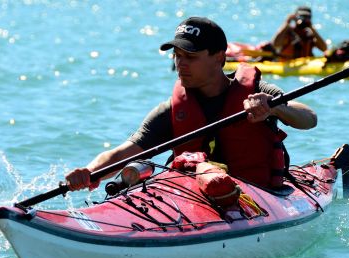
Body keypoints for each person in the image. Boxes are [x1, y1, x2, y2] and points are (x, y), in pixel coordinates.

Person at [65, 17, 317, 192]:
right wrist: (89, 171)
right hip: (196, 198)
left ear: (219, 57)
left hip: (261, 196)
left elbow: (309, 118)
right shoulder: (172, 111)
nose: (180, 64)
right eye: (177, 56)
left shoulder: (257, 92)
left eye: (190, 57)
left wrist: (274, 108)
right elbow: (122, 153)